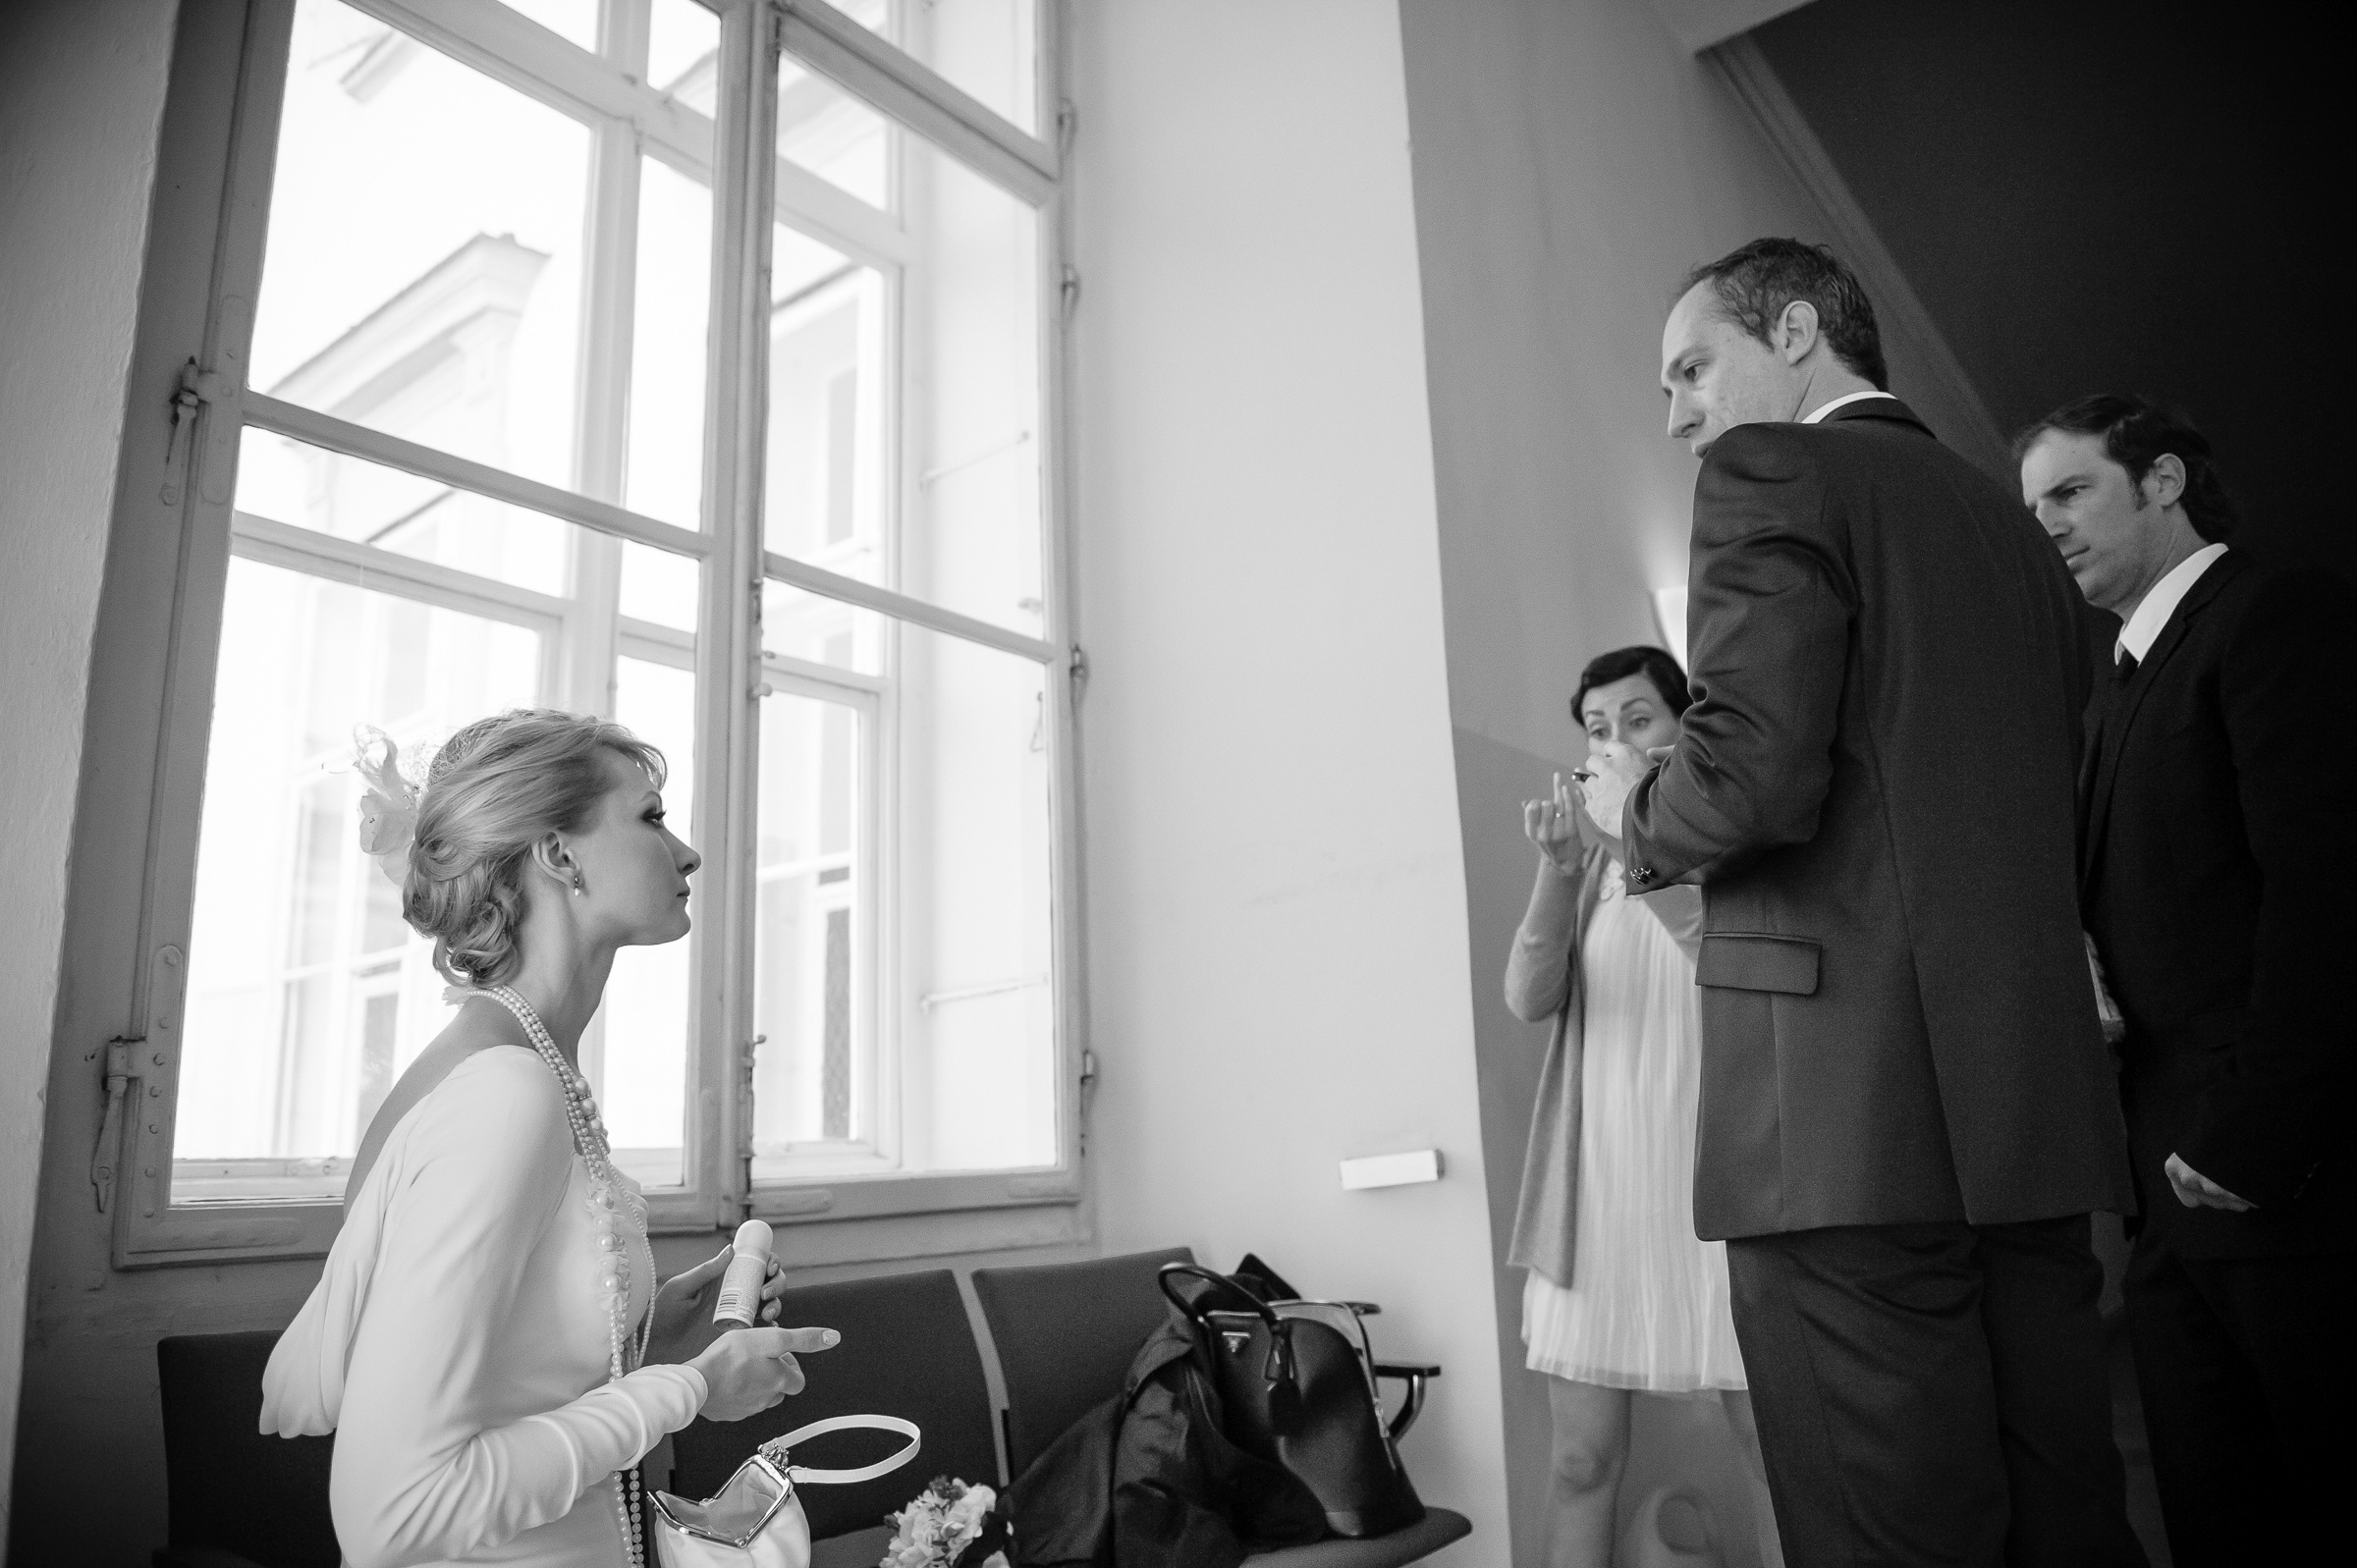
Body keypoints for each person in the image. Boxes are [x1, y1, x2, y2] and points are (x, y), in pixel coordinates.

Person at [1578, 239, 2144, 1566]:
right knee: (2066, 1509)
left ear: (1792, 333)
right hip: (2025, 1116)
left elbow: (1752, 778)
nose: (1677, 416)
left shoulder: (1775, 469)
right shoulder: (2020, 537)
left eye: (1691, 368)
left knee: (1893, 1531)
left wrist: (1630, 812)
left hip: (1838, 1119)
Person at [263, 710, 835, 1568]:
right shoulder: (506, 1094)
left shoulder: (531, 1065)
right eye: (649, 816)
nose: (686, 852)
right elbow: (396, 1512)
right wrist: (690, 1387)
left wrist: (655, 1339)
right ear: (560, 855)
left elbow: (506, 1385)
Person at [2017, 395, 2353, 1566]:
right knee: (2215, 1513)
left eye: (2071, 492)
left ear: (2162, 481)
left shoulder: (2273, 616)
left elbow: (2325, 897)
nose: (2048, 524)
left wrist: (2255, 1142)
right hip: (2162, 1188)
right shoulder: (2114, 682)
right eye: (2036, 505)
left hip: (2284, 1182)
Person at [1505, 645, 1781, 1568]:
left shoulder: (1732, 844)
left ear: (1681, 726)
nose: (1614, 739)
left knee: (1775, 1452)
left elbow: (1721, 953)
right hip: (1600, 1197)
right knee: (1581, 1458)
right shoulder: (1582, 867)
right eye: (1595, 727)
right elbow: (1527, 996)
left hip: (1723, 1192)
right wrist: (1558, 866)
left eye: (1637, 719)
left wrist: (1630, 832)